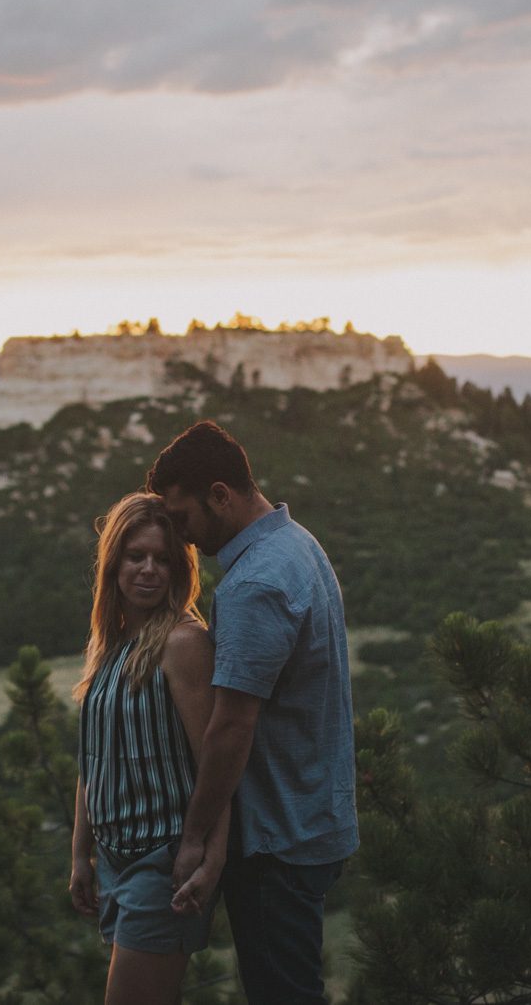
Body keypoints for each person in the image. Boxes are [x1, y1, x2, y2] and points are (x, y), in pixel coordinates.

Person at [148, 421, 358, 1005]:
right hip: (312, 816)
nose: (184, 539)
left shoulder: (255, 581)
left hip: (276, 838)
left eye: (184, 518)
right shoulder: (297, 544)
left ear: (221, 494)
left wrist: (194, 838)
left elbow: (232, 725)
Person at [69, 492, 229, 1005]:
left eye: (163, 558)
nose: (149, 570)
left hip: (163, 864)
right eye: (136, 556)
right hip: (114, 862)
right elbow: (92, 760)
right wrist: (80, 854)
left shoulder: (182, 643)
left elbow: (218, 762)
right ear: (113, 563)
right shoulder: (109, 646)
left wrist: (210, 857)